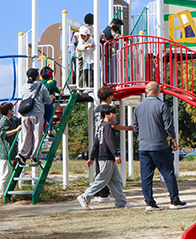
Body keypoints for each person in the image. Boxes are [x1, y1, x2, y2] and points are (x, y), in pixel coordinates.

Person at [133, 81, 186, 211]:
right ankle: (174, 200)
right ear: (158, 91)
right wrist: (174, 140)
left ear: (146, 91)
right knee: (168, 173)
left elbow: (135, 127)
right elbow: (168, 126)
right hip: (160, 146)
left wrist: (143, 136)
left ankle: (150, 203)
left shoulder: (138, 107)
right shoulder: (162, 106)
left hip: (143, 147)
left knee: (146, 176)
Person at [77, 104, 131, 209]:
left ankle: (121, 201)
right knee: (101, 180)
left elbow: (96, 143)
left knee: (116, 180)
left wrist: (92, 157)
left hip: (105, 157)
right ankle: (85, 196)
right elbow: (109, 142)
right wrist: (116, 154)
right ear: (107, 114)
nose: (115, 115)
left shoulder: (101, 126)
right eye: (113, 113)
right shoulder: (107, 127)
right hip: (106, 157)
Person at [92, 86, 133, 203]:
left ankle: (100, 193)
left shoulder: (97, 108)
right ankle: (102, 194)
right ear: (109, 96)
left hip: (98, 138)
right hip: (107, 139)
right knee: (107, 169)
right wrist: (127, 128)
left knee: (100, 168)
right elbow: (113, 125)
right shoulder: (110, 108)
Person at [15, 68, 53, 166]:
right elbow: (48, 101)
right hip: (37, 114)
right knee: (37, 135)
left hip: (25, 114)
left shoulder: (23, 87)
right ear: (37, 76)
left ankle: (22, 154)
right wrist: (52, 97)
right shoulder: (41, 86)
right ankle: (35, 156)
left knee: (27, 135)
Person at [0, 102, 22, 201]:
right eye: (12, 108)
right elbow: (3, 133)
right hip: (5, 152)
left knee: (1, 173)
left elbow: (18, 121)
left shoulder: (11, 120)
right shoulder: (4, 121)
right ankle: (1, 195)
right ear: (8, 111)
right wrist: (16, 130)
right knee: (6, 174)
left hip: (9, 152)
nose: (13, 110)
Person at [39, 66, 60, 130]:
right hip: (49, 101)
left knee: (43, 117)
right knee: (50, 117)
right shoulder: (52, 83)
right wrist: (60, 92)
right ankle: (49, 131)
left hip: (41, 103)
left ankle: (43, 131)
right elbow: (55, 88)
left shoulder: (40, 83)